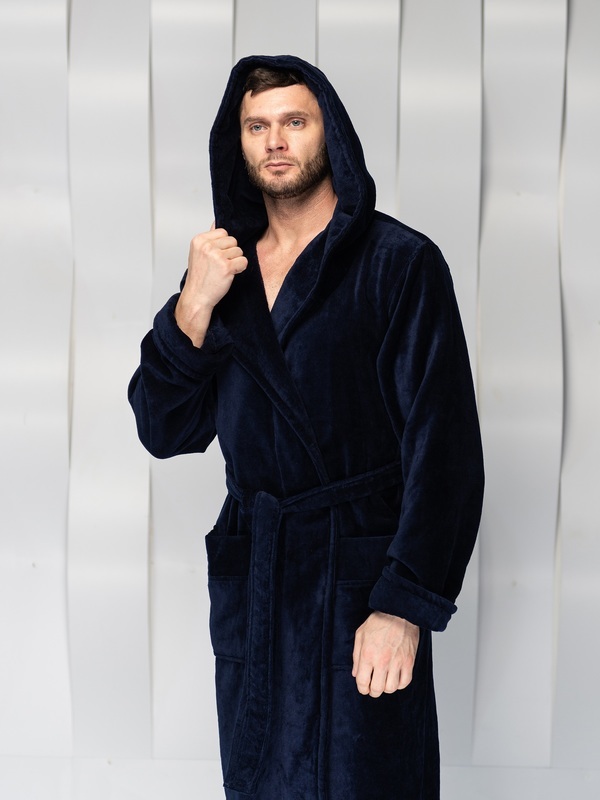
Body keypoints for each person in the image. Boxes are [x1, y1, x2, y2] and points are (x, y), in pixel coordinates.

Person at [128, 54, 484, 800]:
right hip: (258, 585)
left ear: (331, 134)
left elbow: (444, 450)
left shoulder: (399, 263)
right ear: (237, 142)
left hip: (357, 582)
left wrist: (403, 604)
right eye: (256, 126)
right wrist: (191, 307)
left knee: (368, 781)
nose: (276, 141)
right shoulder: (223, 275)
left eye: (295, 121)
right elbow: (164, 429)